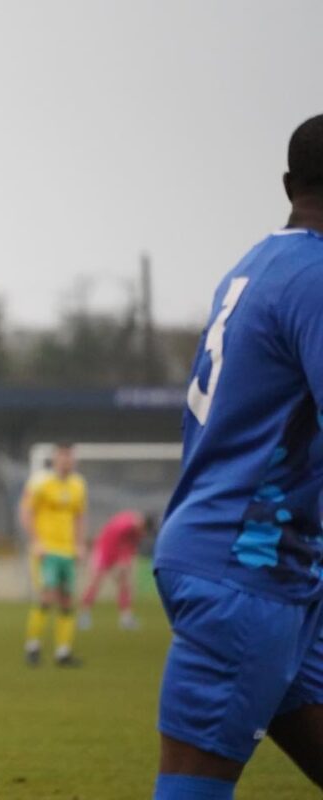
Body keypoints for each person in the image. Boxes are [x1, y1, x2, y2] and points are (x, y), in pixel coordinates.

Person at [152, 114, 323, 799]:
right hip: (244, 572)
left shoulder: (258, 265)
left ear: (289, 184)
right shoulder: (314, 277)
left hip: (279, 574)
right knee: (194, 788)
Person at [19, 444, 87, 666]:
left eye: (70, 457)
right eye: (63, 456)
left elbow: (79, 517)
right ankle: (33, 647)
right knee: (46, 596)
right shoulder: (41, 482)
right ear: (56, 458)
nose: (67, 461)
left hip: (68, 551)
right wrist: (36, 542)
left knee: (67, 600)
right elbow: (26, 511)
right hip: (47, 549)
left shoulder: (78, 485)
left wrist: (80, 544)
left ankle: (63, 652)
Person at [78, 510, 152, 630]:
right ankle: (84, 616)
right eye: (144, 530)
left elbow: (131, 547)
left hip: (118, 554)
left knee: (125, 585)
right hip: (104, 551)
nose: (144, 534)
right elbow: (109, 544)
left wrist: (126, 561)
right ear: (142, 524)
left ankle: (126, 618)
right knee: (95, 582)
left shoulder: (138, 531)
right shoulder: (122, 526)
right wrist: (116, 562)